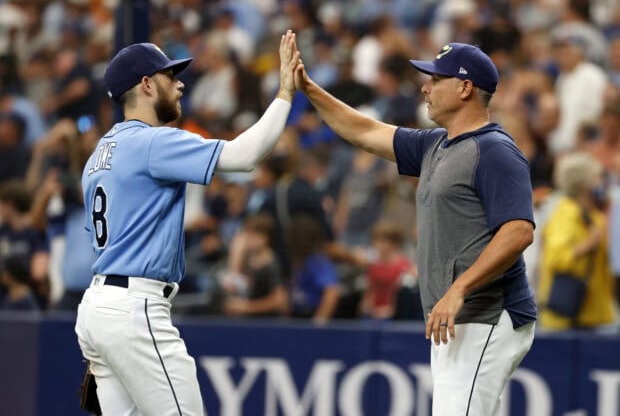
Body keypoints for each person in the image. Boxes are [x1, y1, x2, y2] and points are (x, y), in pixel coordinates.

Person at [293, 41, 537, 414]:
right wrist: (309, 88)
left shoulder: (495, 150)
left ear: (465, 87)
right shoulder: (435, 144)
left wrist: (459, 290)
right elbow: (363, 130)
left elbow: (519, 230)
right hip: (460, 317)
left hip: (486, 313)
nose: (425, 87)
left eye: (436, 79)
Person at [74, 31, 299, 415]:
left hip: (98, 307)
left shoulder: (99, 153)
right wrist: (284, 94)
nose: (179, 84)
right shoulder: (152, 143)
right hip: (135, 308)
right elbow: (244, 156)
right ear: (145, 85)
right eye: (168, 76)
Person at [538, 152, 615, 330]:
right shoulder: (566, 213)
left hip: (592, 313)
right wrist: (587, 245)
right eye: (596, 177)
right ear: (582, 183)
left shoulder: (594, 215)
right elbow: (556, 258)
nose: (600, 182)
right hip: (568, 315)